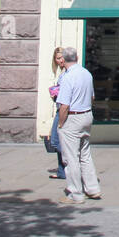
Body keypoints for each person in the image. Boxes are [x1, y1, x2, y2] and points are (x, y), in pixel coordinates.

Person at [55, 47, 101, 203]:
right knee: (85, 155)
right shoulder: (86, 73)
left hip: (73, 118)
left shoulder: (68, 77)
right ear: (76, 57)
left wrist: (60, 124)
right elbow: (92, 97)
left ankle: (76, 193)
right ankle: (93, 189)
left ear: (65, 59)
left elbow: (64, 106)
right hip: (86, 115)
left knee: (70, 158)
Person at [45, 47, 67, 180]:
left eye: (62, 57)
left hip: (63, 110)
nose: (60, 61)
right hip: (60, 108)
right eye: (58, 58)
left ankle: (67, 168)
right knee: (57, 140)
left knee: (56, 140)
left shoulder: (67, 73)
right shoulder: (63, 73)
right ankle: (62, 171)